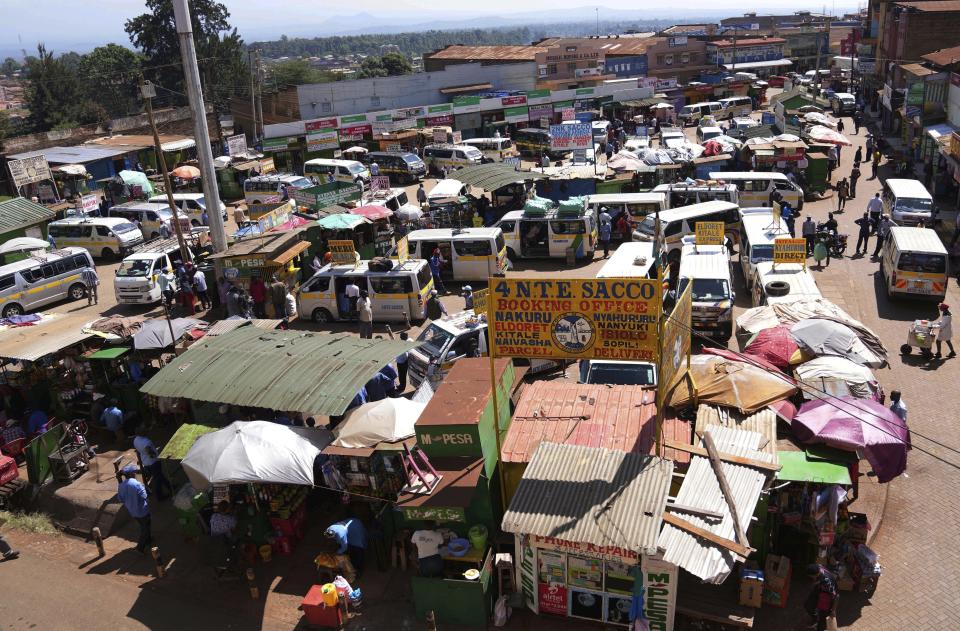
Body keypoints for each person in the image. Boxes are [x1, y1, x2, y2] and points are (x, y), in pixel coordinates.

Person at [117, 465, 152, 554]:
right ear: (132, 474)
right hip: (142, 510)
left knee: (143, 525)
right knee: (145, 528)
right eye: (135, 472)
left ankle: (148, 540)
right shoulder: (137, 484)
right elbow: (145, 496)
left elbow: (120, 499)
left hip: (132, 511)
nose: (136, 473)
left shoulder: (121, 486)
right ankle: (140, 547)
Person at [133, 432, 172, 501]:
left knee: (159, 475)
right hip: (153, 463)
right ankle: (159, 496)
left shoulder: (136, 439)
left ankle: (170, 487)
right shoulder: (146, 442)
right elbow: (151, 455)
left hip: (146, 462)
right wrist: (161, 455)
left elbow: (140, 451)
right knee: (158, 479)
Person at [805, 563, 838, 631]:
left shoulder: (827, 582)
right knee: (808, 605)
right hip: (820, 589)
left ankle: (820, 627)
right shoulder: (819, 567)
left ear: (816, 574)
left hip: (827, 598)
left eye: (812, 576)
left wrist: (833, 610)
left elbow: (836, 596)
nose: (811, 578)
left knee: (822, 619)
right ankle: (815, 619)